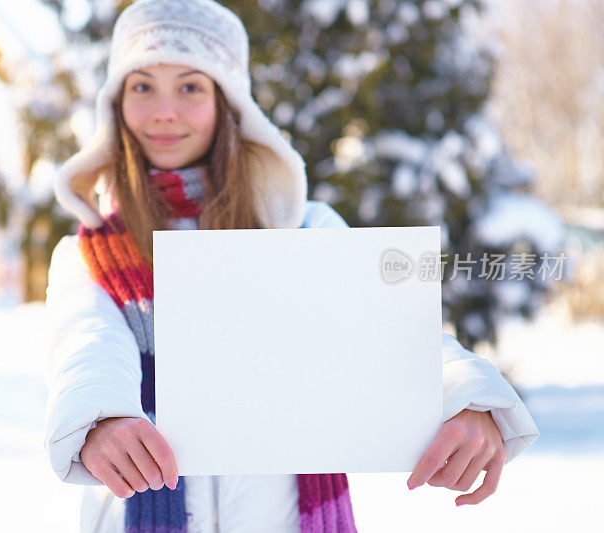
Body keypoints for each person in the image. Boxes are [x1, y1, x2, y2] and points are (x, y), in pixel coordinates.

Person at [43, 0, 540, 531]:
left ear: (228, 103)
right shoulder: (88, 251)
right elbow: (88, 344)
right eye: (142, 86)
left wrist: (468, 397)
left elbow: (390, 329)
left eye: (190, 86)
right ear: (116, 104)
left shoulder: (302, 229)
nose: (164, 110)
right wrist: (101, 417)